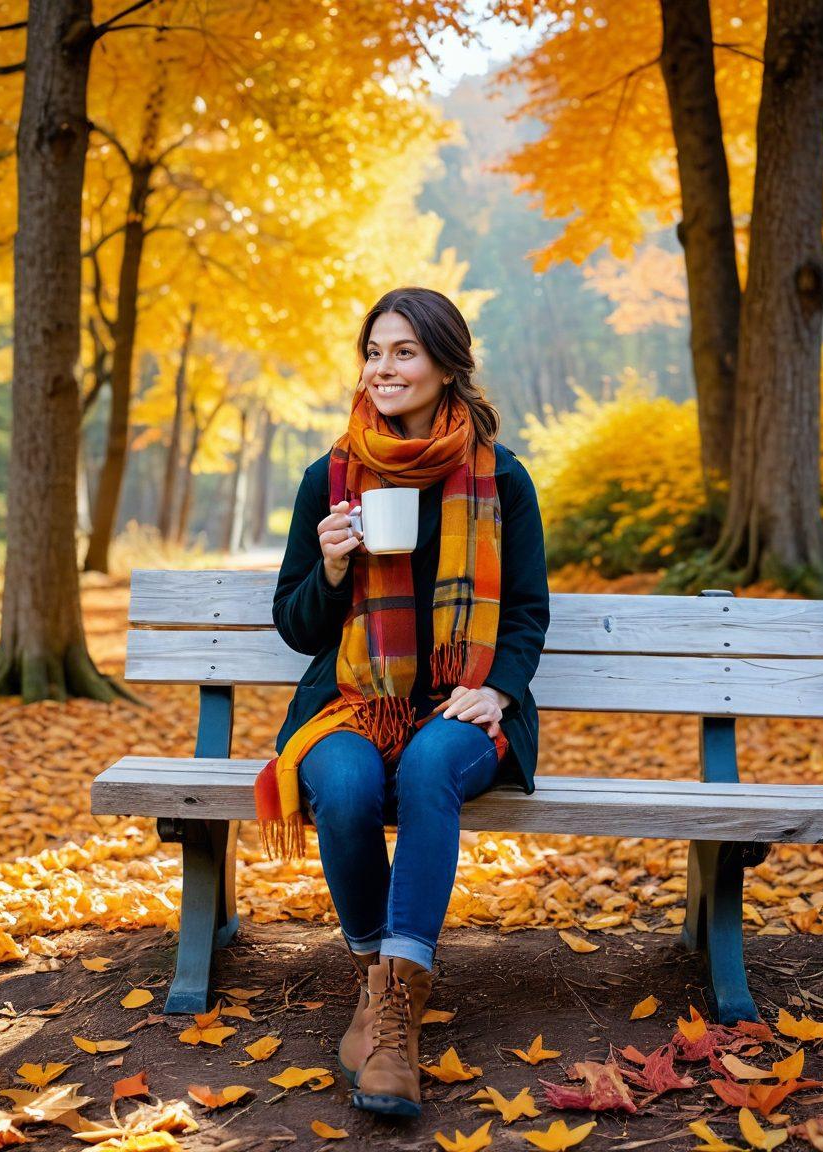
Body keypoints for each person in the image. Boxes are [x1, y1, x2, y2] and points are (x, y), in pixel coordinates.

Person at [255, 286, 549, 1118]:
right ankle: (379, 984)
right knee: (343, 786)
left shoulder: (501, 479)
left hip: (463, 704)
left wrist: (497, 688)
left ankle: (392, 1021)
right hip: (352, 700)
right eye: (374, 352)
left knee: (426, 770)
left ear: (447, 365)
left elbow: (526, 609)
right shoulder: (333, 476)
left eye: (404, 352)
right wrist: (334, 568)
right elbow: (295, 624)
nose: (384, 369)